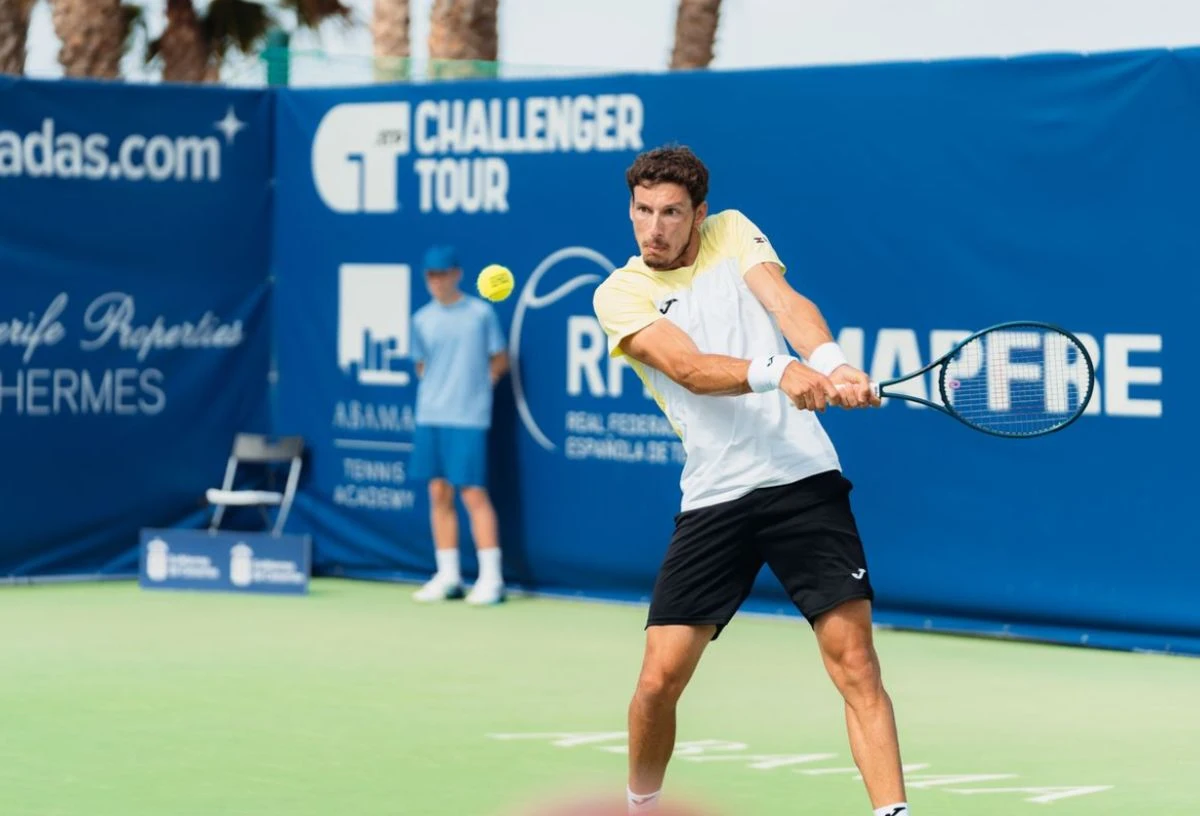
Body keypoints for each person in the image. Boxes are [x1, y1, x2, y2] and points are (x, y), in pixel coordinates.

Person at [592, 146, 909, 816]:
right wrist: (779, 371)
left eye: (671, 213)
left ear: (698, 214)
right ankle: (641, 807)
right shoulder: (619, 293)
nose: (654, 226)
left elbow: (785, 301)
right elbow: (687, 368)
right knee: (657, 683)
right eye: (643, 211)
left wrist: (832, 362)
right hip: (714, 496)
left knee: (855, 662)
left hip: (802, 479)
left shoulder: (732, 231)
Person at [409, 245, 509, 606]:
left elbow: (500, 359)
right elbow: (421, 366)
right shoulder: (421, 320)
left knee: (472, 493)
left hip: (467, 417)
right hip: (430, 415)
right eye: (431, 276)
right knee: (438, 492)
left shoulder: (481, 314)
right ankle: (449, 575)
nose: (437, 282)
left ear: (457, 274)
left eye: (443, 274)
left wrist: (483, 384)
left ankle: (492, 579)